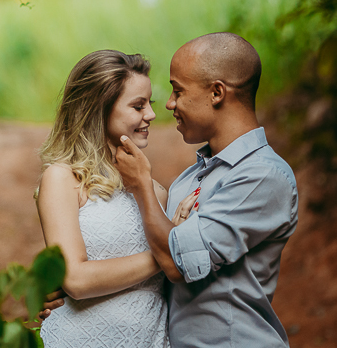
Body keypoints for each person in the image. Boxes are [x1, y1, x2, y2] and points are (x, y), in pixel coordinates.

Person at [113, 32, 298, 348]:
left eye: (177, 91)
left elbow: (174, 265)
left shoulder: (263, 176)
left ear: (217, 92)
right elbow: (155, 259)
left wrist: (141, 185)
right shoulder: (190, 177)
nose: (169, 104)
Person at [36, 50, 195, 348]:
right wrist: (168, 252)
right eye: (138, 106)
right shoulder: (62, 179)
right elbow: (76, 281)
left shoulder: (156, 192)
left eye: (150, 104)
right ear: (101, 108)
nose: (150, 114)